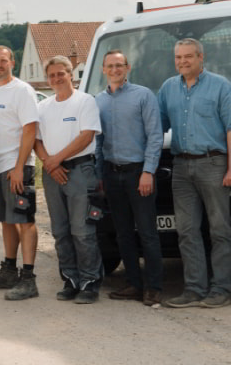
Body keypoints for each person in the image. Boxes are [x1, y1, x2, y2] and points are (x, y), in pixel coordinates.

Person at [158, 38, 231, 309]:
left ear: (200, 57)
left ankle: (220, 289)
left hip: (213, 164)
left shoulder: (220, 85)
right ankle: (194, 289)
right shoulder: (168, 89)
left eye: (188, 56)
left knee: (219, 229)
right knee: (186, 231)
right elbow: (157, 127)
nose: (182, 61)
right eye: (178, 57)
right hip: (181, 166)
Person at [94, 50, 164, 306]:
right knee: (123, 233)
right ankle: (134, 284)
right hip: (112, 175)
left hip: (138, 173)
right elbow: (98, 141)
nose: (115, 69)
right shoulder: (98, 101)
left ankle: (154, 287)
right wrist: (99, 174)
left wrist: (148, 171)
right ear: (103, 69)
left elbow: (155, 136)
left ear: (127, 67)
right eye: (110, 66)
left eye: (119, 65)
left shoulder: (143, 96)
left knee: (147, 233)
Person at [34, 56, 103, 305]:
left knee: (82, 230)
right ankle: (70, 280)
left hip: (79, 170)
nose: (56, 79)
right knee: (60, 231)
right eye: (51, 75)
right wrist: (49, 164)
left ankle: (89, 282)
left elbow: (86, 136)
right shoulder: (43, 107)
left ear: (70, 74)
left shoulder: (85, 101)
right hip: (53, 174)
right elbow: (36, 139)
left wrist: (56, 160)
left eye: (60, 73)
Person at [0, 45, 41, 301]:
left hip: (16, 166)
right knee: (7, 221)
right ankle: (8, 270)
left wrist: (19, 167)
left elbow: (30, 129)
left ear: (12, 62)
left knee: (24, 221)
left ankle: (28, 279)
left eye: (3, 60)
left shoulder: (23, 90)